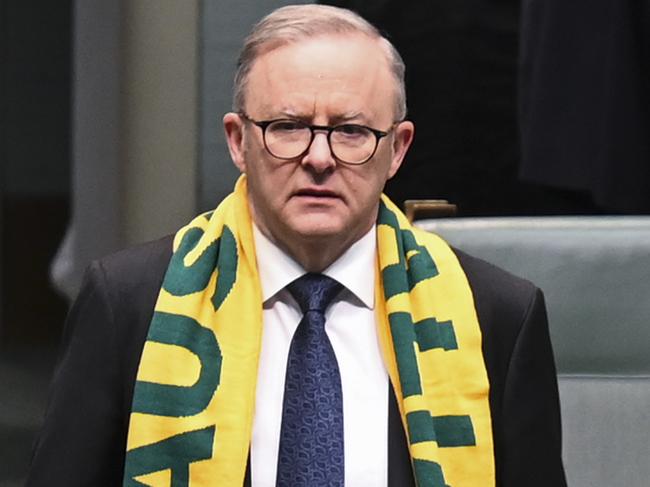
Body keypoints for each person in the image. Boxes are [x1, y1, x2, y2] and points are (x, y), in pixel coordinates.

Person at [27, 5, 566, 487]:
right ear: (238, 141)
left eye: (352, 131)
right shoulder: (129, 303)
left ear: (397, 150)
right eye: (288, 126)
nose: (319, 158)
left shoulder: (496, 315)